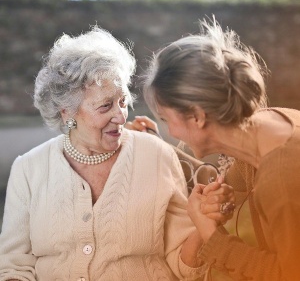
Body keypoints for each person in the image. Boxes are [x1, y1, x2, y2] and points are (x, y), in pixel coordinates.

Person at [0, 26, 235, 281]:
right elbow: (13, 266)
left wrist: (202, 225)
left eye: (122, 102)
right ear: (66, 112)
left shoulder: (156, 155)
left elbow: (183, 266)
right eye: (105, 106)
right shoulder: (28, 169)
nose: (121, 115)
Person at [141, 17, 300, 280]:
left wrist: (212, 235)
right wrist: (222, 202)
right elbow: (238, 187)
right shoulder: (269, 124)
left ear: (197, 116)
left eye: (168, 120)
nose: (172, 133)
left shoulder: (281, 179)